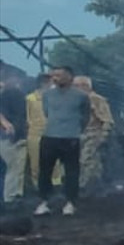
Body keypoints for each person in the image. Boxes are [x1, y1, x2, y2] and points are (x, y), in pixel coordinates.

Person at [34, 66, 87, 216]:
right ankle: (44, 201)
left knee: (71, 172)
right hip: (49, 137)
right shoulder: (47, 95)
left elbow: (85, 116)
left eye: (58, 75)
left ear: (69, 76)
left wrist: (75, 131)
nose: (55, 78)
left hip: (71, 138)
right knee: (45, 172)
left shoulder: (81, 96)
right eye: (53, 76)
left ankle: (70, 202)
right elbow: (46, 112)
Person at [74, 76, 113, 190]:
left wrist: (103, 136)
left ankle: (85, 187)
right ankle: (92, 187)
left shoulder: (96, 99)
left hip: (93, 134)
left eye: (76, 86)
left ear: (85, 86)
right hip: (79, 135)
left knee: (87, 160)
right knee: (86, 162)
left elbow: (107, 120)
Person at [0, 69, 26, 203]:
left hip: (15, 135)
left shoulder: (15, 93)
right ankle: (10, 197)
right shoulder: (9, 94)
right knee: (12, 167)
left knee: (15, 167)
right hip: (8, 136)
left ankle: (14, 195)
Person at [23, 73, 48, 192]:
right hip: (35, 134)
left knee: (55, 163)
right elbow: (27, 117)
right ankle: (37, 187)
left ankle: (55, 185)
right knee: (36, 162)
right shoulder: (30, 98)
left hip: (52, 133)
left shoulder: (54, 98)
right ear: (44, 83)